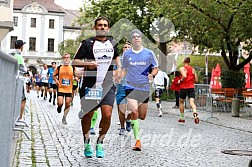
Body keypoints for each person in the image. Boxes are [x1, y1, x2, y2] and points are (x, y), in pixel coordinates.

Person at [72, 17, 122, 158]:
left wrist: (119, 67)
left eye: (105, 25)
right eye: (99, 25)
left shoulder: (113, 42)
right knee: (88, 115)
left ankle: (100, 142)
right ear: (95, 28)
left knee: (107, 115)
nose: (102, 27)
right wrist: (88, 64)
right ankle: (87, 142)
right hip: (90, 85)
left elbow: (116, 57)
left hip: (107, 85)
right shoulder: (87, 44)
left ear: (108, 28)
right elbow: (74, 61)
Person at [122, 29, 158, 151]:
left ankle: (129, 120)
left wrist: (152, 74)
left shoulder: (149, 53)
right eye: (134, 37)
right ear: (132, 39)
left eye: (138, 36)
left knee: (142, 116)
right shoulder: (126, 55)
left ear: (141, 39)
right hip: (130, 86)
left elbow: (155, 68)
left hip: (144, 87)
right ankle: (137, 140)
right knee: (134, 112)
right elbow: (124, 69)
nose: (136, 38)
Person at [53, 53, 76, 124]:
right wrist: (56, 81)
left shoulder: (72, 68)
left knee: (68, 104)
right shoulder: (59, 67)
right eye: (65, 57)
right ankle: (59, 107)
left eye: (68, 57)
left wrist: (76, 78)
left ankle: (64, 117)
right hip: (61, 88)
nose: (66, 59)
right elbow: (54, 76)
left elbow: (77, 75)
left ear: (70, 59)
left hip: (69, 89)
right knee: (60, 102)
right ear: (63, 59)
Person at [115, 41, 132, 135]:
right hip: (121, 86)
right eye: (125, 47)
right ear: (123, 49)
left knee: (132, 108)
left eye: (128, 47)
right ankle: (122, 127)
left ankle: (128, 119)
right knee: (121, 108)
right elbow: (114, 71)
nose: (126, 49)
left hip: (132, 86)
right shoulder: (119, 60)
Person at [178, 57, 199, 124]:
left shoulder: (182, 68)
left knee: (181, 102)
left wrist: (180, 80)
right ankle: (195, 112)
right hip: (191, 87)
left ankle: (182, 117)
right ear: (189, 62)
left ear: (184, 61)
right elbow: (196, 80)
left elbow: (184, 76)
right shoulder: (193, 69)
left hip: (183, 87)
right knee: (192, 102)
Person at [13, 40, 27, 121]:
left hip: (14, 79)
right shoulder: (19, 56)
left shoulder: (13, 55)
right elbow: (23, 69)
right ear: (21, 47)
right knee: (23, 99)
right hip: (19, 79)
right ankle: (20, 118)